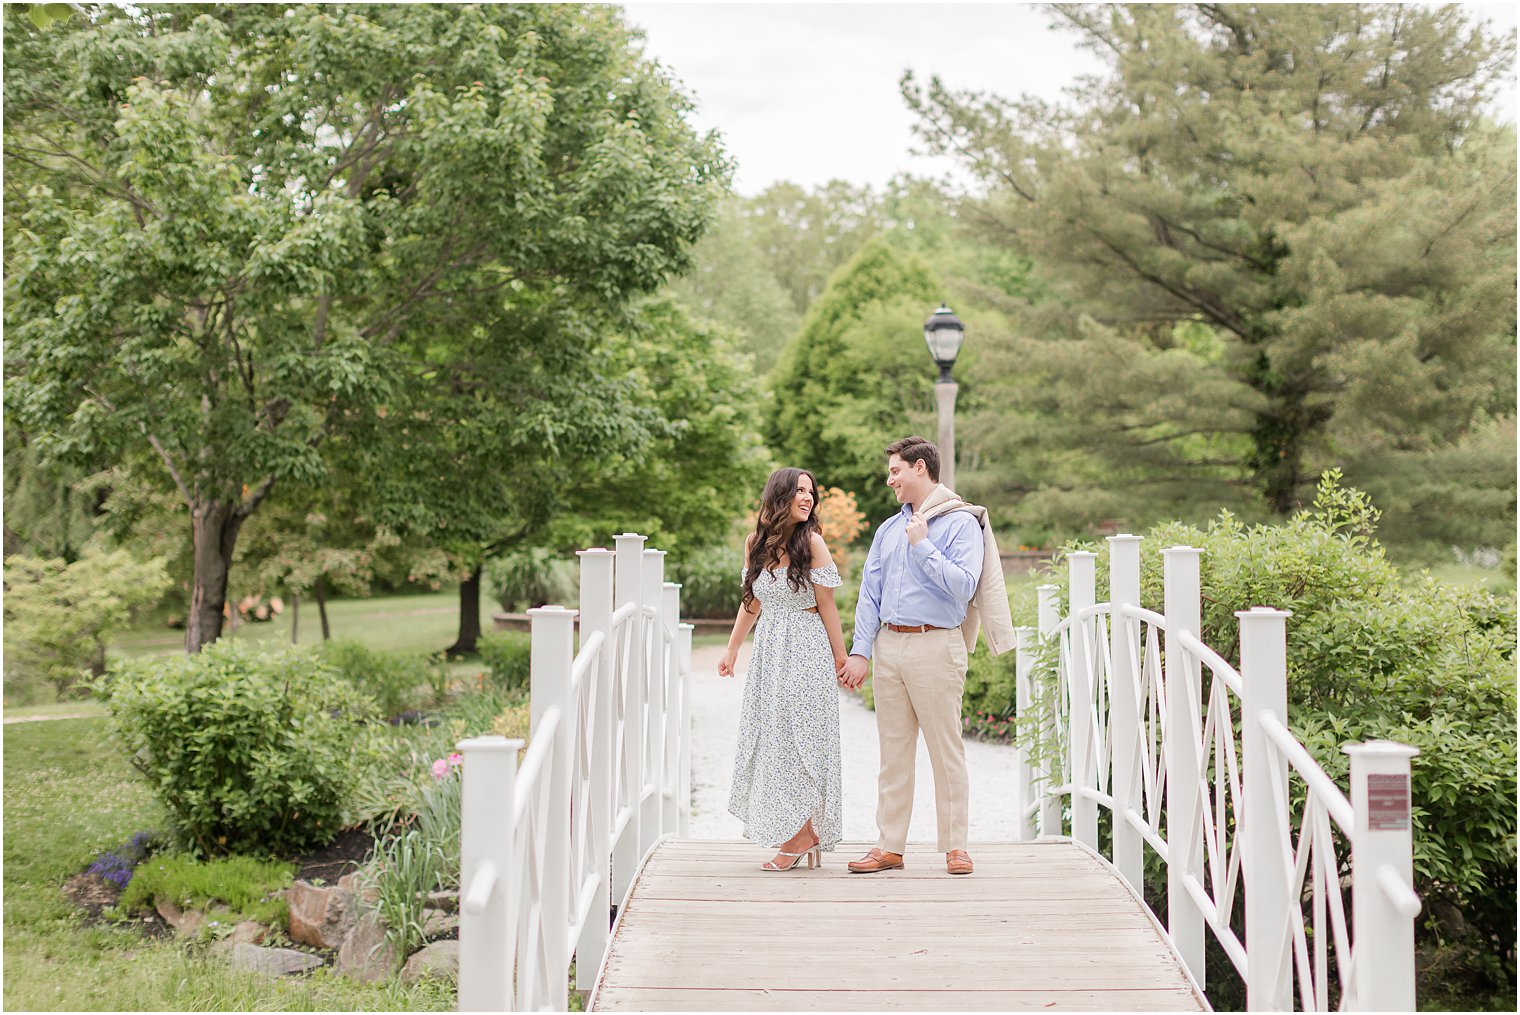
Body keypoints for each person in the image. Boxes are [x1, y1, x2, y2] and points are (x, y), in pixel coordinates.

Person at [839, 436, 1015, 876]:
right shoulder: (886, 529)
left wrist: (923, 546)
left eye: (896, 470)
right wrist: (861, 651)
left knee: (945, 748)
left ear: (921, 468)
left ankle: (956, 845)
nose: (889, 479)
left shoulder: (960, 523)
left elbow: (963, 586)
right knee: (893, 753)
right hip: (889, 647)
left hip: (937, 644)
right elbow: (869, 596)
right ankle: (889, 847)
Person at [719, 467, 848, 871]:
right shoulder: (754, 543)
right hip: (770, 650)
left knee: (803, 741)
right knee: (772, 739)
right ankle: (799, 834)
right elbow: (751, 603)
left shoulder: (813, 544)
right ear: (780, 495)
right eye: (800, 491)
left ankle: (802, 835)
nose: (808, 498)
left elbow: (828, 606)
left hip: (807, 648)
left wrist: (842, 659)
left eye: (811, 492)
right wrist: (732, 648)